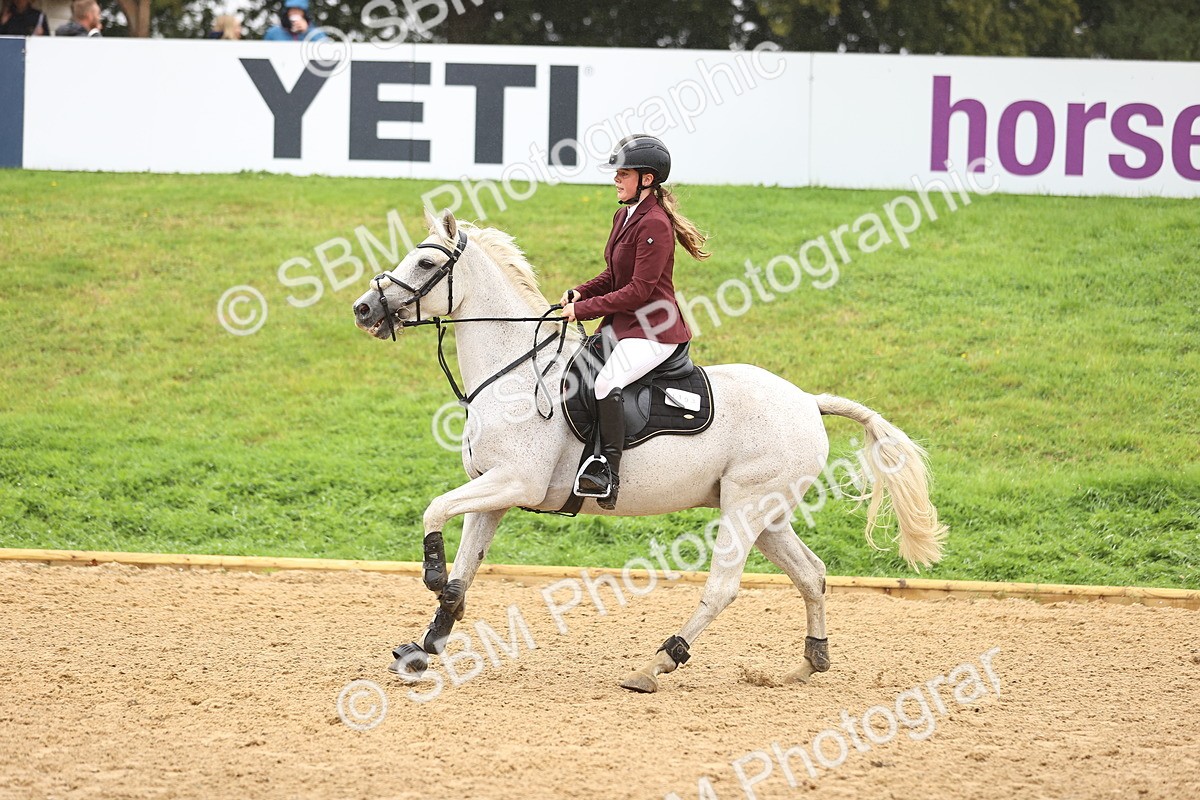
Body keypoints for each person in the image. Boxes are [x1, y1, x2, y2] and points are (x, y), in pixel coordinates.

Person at [560, 135, 710, 509]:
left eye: (623, 174)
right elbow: (614, 275)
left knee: (606, 382)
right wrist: (580, 292)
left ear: (647, 179)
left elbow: (639, 291)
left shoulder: (655, 223)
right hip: (624, 324)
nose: (616, 179)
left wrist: (585, 310)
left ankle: (607, 472)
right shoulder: (624, 215)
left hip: (654, 329)